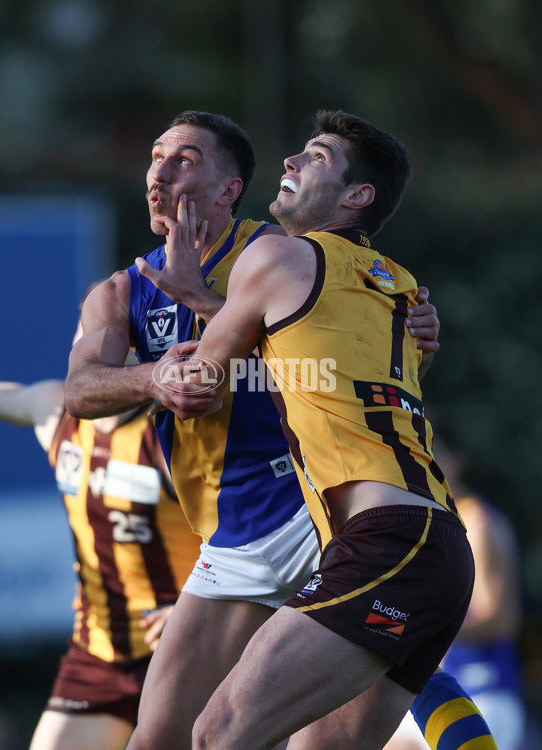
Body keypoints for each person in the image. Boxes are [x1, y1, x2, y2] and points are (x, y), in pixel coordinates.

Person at [64, 110, 493, 750]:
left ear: (229, 187)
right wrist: (153, 378)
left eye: (184, 159)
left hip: (321, 513)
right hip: (248, 529)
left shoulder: (278, 249)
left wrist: (185, 357)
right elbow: (81, 389)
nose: (159, 171)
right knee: (163, 740)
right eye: (155, 155)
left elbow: (214, 379)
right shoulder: (128, 290)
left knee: (226, 731)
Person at [0, 316, 201, 750]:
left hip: (182, 651)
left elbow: (243, 538)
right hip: (97, 654)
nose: (89, 347)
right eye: (85, 331)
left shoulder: (169, 435)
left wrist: (195, 612)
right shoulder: (55, 414)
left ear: (134, 353)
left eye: (108, 334)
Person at [384, 421, 526, 750]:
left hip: (483, 694)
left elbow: (502, 621)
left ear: (457, 459)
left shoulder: (475, 522)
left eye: (431, 454)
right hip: (429, 691)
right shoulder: (422, 523)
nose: (421, 464)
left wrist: (411, 628)